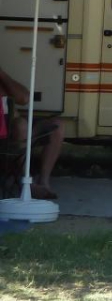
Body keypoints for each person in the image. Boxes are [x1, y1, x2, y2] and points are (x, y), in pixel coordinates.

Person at [0, 65, 64, 200]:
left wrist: (2, 75)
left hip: (17, 129)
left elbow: (23, 98)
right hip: (6, 135)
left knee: (56, 126)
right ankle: (27, 182)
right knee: (21, 125)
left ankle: (44, 181)